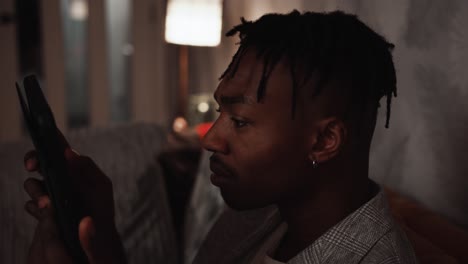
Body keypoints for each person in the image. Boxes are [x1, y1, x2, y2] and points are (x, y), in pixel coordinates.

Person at [22, 10, 418, 264]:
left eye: (241, 120)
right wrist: (101, 234)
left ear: (324, 141)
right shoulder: (257, 216)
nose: (211, 139)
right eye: (219, 112)